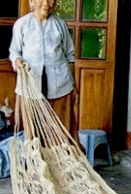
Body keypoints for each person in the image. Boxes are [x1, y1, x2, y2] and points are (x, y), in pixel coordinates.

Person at [9, 0, 80, 146]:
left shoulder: (60, 24)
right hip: (31, 86)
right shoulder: (22, 24)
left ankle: (63, 165)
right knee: (33, 133)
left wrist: (74, 87)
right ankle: (38, 166)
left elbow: (70, 56)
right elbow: (14, 51)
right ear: (32, 1)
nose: (47, 3)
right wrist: (18, 60)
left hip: (60, 85)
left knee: (62, 131)